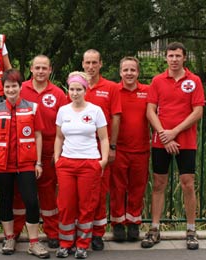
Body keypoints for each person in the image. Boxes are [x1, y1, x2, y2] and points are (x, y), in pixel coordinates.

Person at [141, 42, 204, 250]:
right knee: (158, 184)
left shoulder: (194, 81)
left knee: (187, 183)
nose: (174, 59)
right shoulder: (157, 80)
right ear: (166, 58)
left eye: (178, 55)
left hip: (185, 140)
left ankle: (191, 229)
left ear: (184, 57)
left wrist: (174, 132)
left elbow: (197, 112)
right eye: (170, 56)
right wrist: (164, 135)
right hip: (161, 140)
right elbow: (150, 111)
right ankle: (155, 228)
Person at [0, 69, 50, 259]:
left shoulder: (32, 107)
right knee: (5, 200)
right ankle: (9, 238)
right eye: (7, 86)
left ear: (20, 87)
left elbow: (38, 135)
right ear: (3, 89)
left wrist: (38, 162)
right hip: (2, 164)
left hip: (26, 164)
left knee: (31, 201)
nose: (11, 89)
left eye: (14, 86)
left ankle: (34, 242)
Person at [12, 55, 67, 248]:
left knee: (48, 192)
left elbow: (64, 124)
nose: (41, 71)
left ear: (50, 70)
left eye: (44, 68)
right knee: (20, 192)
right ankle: (15, 231)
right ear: (31, 69)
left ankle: (52, 232)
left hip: (49, 148)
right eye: (37, 68)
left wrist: (58, 151)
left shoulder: (59, 94)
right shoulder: (20, 89)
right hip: (23, 148)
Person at [54, 71, 109, 259]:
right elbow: (59, 137)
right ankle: (65, 243)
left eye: (78, 89)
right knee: (67, 205)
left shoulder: (95, 111)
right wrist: (56, 158)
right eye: (71, 89)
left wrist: (102, 161)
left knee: (86, 205)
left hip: (89, 163)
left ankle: (82, 244)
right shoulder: (63, 111)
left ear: (85, 90)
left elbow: (103, 138)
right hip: (67, 163)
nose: (75, 93)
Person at [82, 49, 122, 250]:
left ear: (100, 64)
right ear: (82, 64)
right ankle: (81, 233)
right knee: (81, 194)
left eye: (94, 62)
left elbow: (115, 118)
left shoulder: (111, 87)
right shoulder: (76, 86)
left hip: (101, 148)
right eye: (87, 62)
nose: (90, 66)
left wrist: (112, 147)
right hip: (79, 151)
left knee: (99, 192)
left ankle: (97, 234)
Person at [109, 57, 150, 241]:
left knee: (137, 187)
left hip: (141, 148)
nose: (129, 73)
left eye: (132, 70)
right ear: (120, 72)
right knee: (117, 187)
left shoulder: (147, 91)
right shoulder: (114, 90)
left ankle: (134, 223)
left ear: (138, 72)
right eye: (125, 70)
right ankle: (118, 223)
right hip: (120, 149)